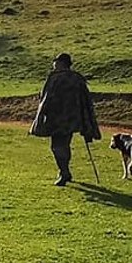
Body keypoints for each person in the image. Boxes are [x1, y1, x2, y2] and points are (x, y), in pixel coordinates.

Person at [29, 53, 101, 186]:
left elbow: (46, 99)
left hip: (58, 119)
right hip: (73, 119)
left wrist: (41, 116)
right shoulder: (77, 78)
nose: (54, 65)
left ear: (60, 63)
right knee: (64, 144)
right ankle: (64, 171)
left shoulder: (55, 78)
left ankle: (64, 172)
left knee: (57, 146)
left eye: (55, 62)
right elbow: (86, 100)